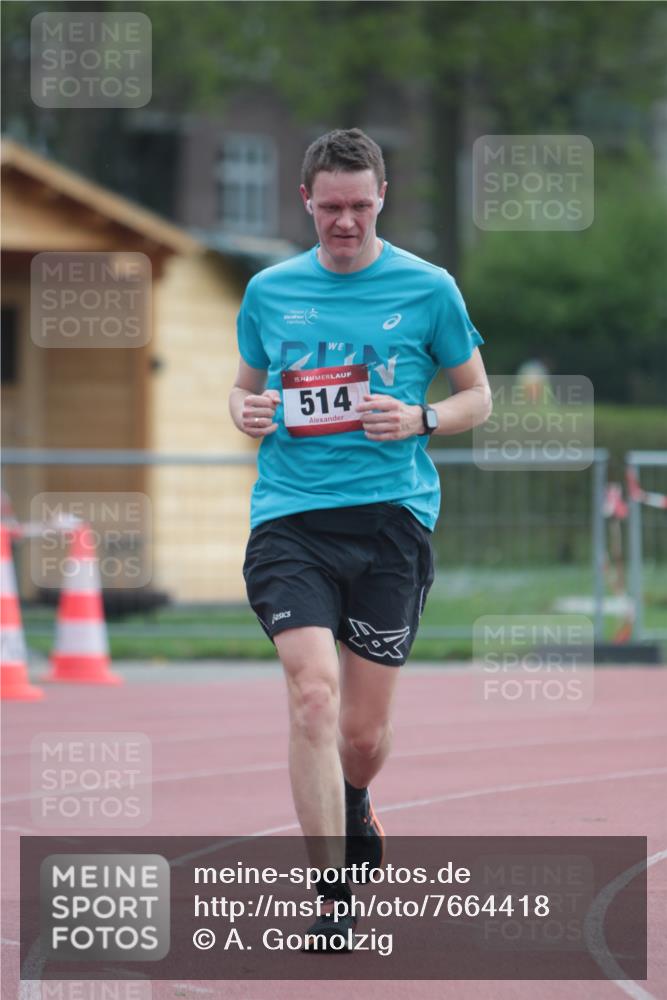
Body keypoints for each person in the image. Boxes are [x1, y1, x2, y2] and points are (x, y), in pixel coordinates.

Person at [228, 127, 491, 949]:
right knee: (311, 693)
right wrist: (245, 411)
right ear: (305, 201)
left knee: (362, 736)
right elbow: (243, 396)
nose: (344, 223)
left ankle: (354, 797)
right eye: (330, 208)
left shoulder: (428, 287)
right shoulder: (269, 290)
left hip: (390, 522)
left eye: (360, 207)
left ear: (382, 201)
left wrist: (422, 417)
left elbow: (477, 396)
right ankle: (332, 891)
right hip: (290, 520)